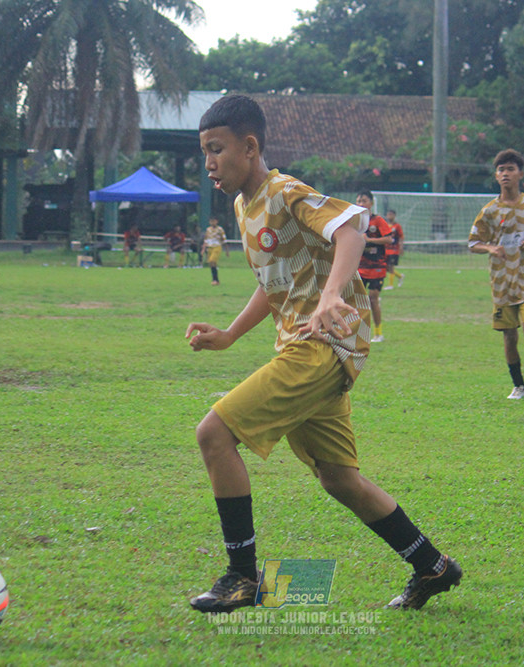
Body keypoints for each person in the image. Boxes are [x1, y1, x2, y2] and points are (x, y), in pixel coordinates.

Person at [186, 94, 460, 614]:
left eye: (217, 150)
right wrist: (229, 335)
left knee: (213, 434)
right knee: (338, 478)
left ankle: (241, 578)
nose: (209, 163)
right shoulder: (245, 206)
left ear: (250, 146)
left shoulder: (284, 191)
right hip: (307, 347)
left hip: (321, 346)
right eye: (205, 152)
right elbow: (275, 285)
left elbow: (351, 230)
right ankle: (433, 566)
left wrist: (333, 294)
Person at [468, 149, 524, 400]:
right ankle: (518, 385)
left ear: (521, 174)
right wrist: (490, 247)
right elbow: (472, 243)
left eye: (510, 169)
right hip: (503, 282)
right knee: (509, 336)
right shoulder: (489, 211)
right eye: (501, 170)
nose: (505, 174)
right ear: (496, 176)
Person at [355, 191, 393, 343]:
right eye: (358, 201)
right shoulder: (355, 221)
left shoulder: (378, 221)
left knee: (373, 299)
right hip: (359, 266)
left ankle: (378, 333)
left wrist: (369, 240)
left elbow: (389, 239)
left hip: (377, 266)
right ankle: (357, 333)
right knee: (356, 300)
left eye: (364, 201)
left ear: (371, 203)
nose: (361, 204)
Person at [200, 216, 228, 285]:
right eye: (211, 221)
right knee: (212, 263)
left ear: (216, 221)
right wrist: (203, 249)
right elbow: (206, 240)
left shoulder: (220, 229)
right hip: (210, 247)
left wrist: (227, 251)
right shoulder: (208, 229)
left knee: (212, 260)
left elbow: (224, 240)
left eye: (214, 221)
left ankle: (215, 280)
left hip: (217, 247)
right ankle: (215, 280)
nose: (212, 222)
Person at [384, 208, 405, 288]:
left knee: (391, 266)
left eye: (391, 215)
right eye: (388, 214)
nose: (389, 216)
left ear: (394, 216)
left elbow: (401, 237)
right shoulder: (385, 225)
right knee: (386, 267)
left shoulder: (397, 226)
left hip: (394, 250)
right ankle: (400, 276)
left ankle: (390, 285)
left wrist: (401, 247)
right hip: (386, 250)